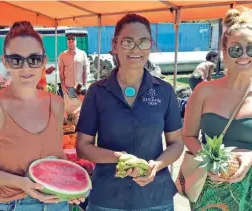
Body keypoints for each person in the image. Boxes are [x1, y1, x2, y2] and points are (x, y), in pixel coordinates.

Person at [0, 21, 84, 211]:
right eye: (16, 60)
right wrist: (21, 183)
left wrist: (69, 186)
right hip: (15, 204)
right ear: (6, 61)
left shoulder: (56, 104)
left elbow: (56, 156)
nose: (26, 68)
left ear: (43, 61)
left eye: (34, 59)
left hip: (58, 202)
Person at [182, 7, 252, 211]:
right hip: (208, 186)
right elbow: (188, 136)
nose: (244, 55)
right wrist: (210, 160)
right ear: (224, 51)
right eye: (235, 48)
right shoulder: (203, 91)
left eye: (251, 48)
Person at [76, 14, 184, 211]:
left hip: (155, 198)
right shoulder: (97, 92)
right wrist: (119, 158)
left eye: (143, 42)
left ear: (150, 46)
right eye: (128, 42)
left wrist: (156, 166)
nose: (136, 49)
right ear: (115, 45)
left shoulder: (165, 91)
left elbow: (177, 143)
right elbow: (83, 147)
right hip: (108, 199)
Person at [58, 33, 90, 98]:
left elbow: (85, 71)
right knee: (69, 108)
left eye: (73, 39)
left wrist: (85, 85)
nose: (71, 41)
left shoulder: (83, 54)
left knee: (81, 107)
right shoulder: (62, 55)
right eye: (69, 40)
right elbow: (61, 73)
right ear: (67, 42)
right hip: (68, 89)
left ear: (76, 41)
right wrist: (63, 87)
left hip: (80, 88)